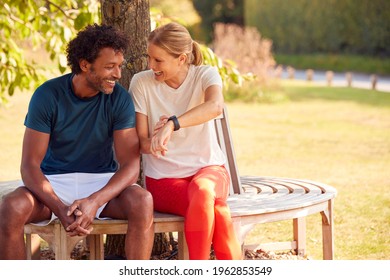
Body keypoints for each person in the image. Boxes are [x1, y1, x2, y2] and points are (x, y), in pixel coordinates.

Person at [0, 24, 154, 260]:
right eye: (110, 67)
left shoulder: (119, 99)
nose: (118, 74)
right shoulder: (48, 95)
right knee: (11, 207)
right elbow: (30, 165)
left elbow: (130, 166)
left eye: (119, 66)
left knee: (142, 201)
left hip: (101, 183)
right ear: (84, 65)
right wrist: (59, 208)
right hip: (52, 184)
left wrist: (94, 201)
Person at [129, 22, 242, 260]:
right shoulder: (141, 83)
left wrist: (173, 123)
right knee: (218, 209)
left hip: (210, 170)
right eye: (149, 57)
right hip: (164, 180)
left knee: (203, 191)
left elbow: (215, 106)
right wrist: (155, 142)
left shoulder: (205, 75)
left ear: (181, 59)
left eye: (158, 60)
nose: (151, 66)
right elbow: (141, 143)